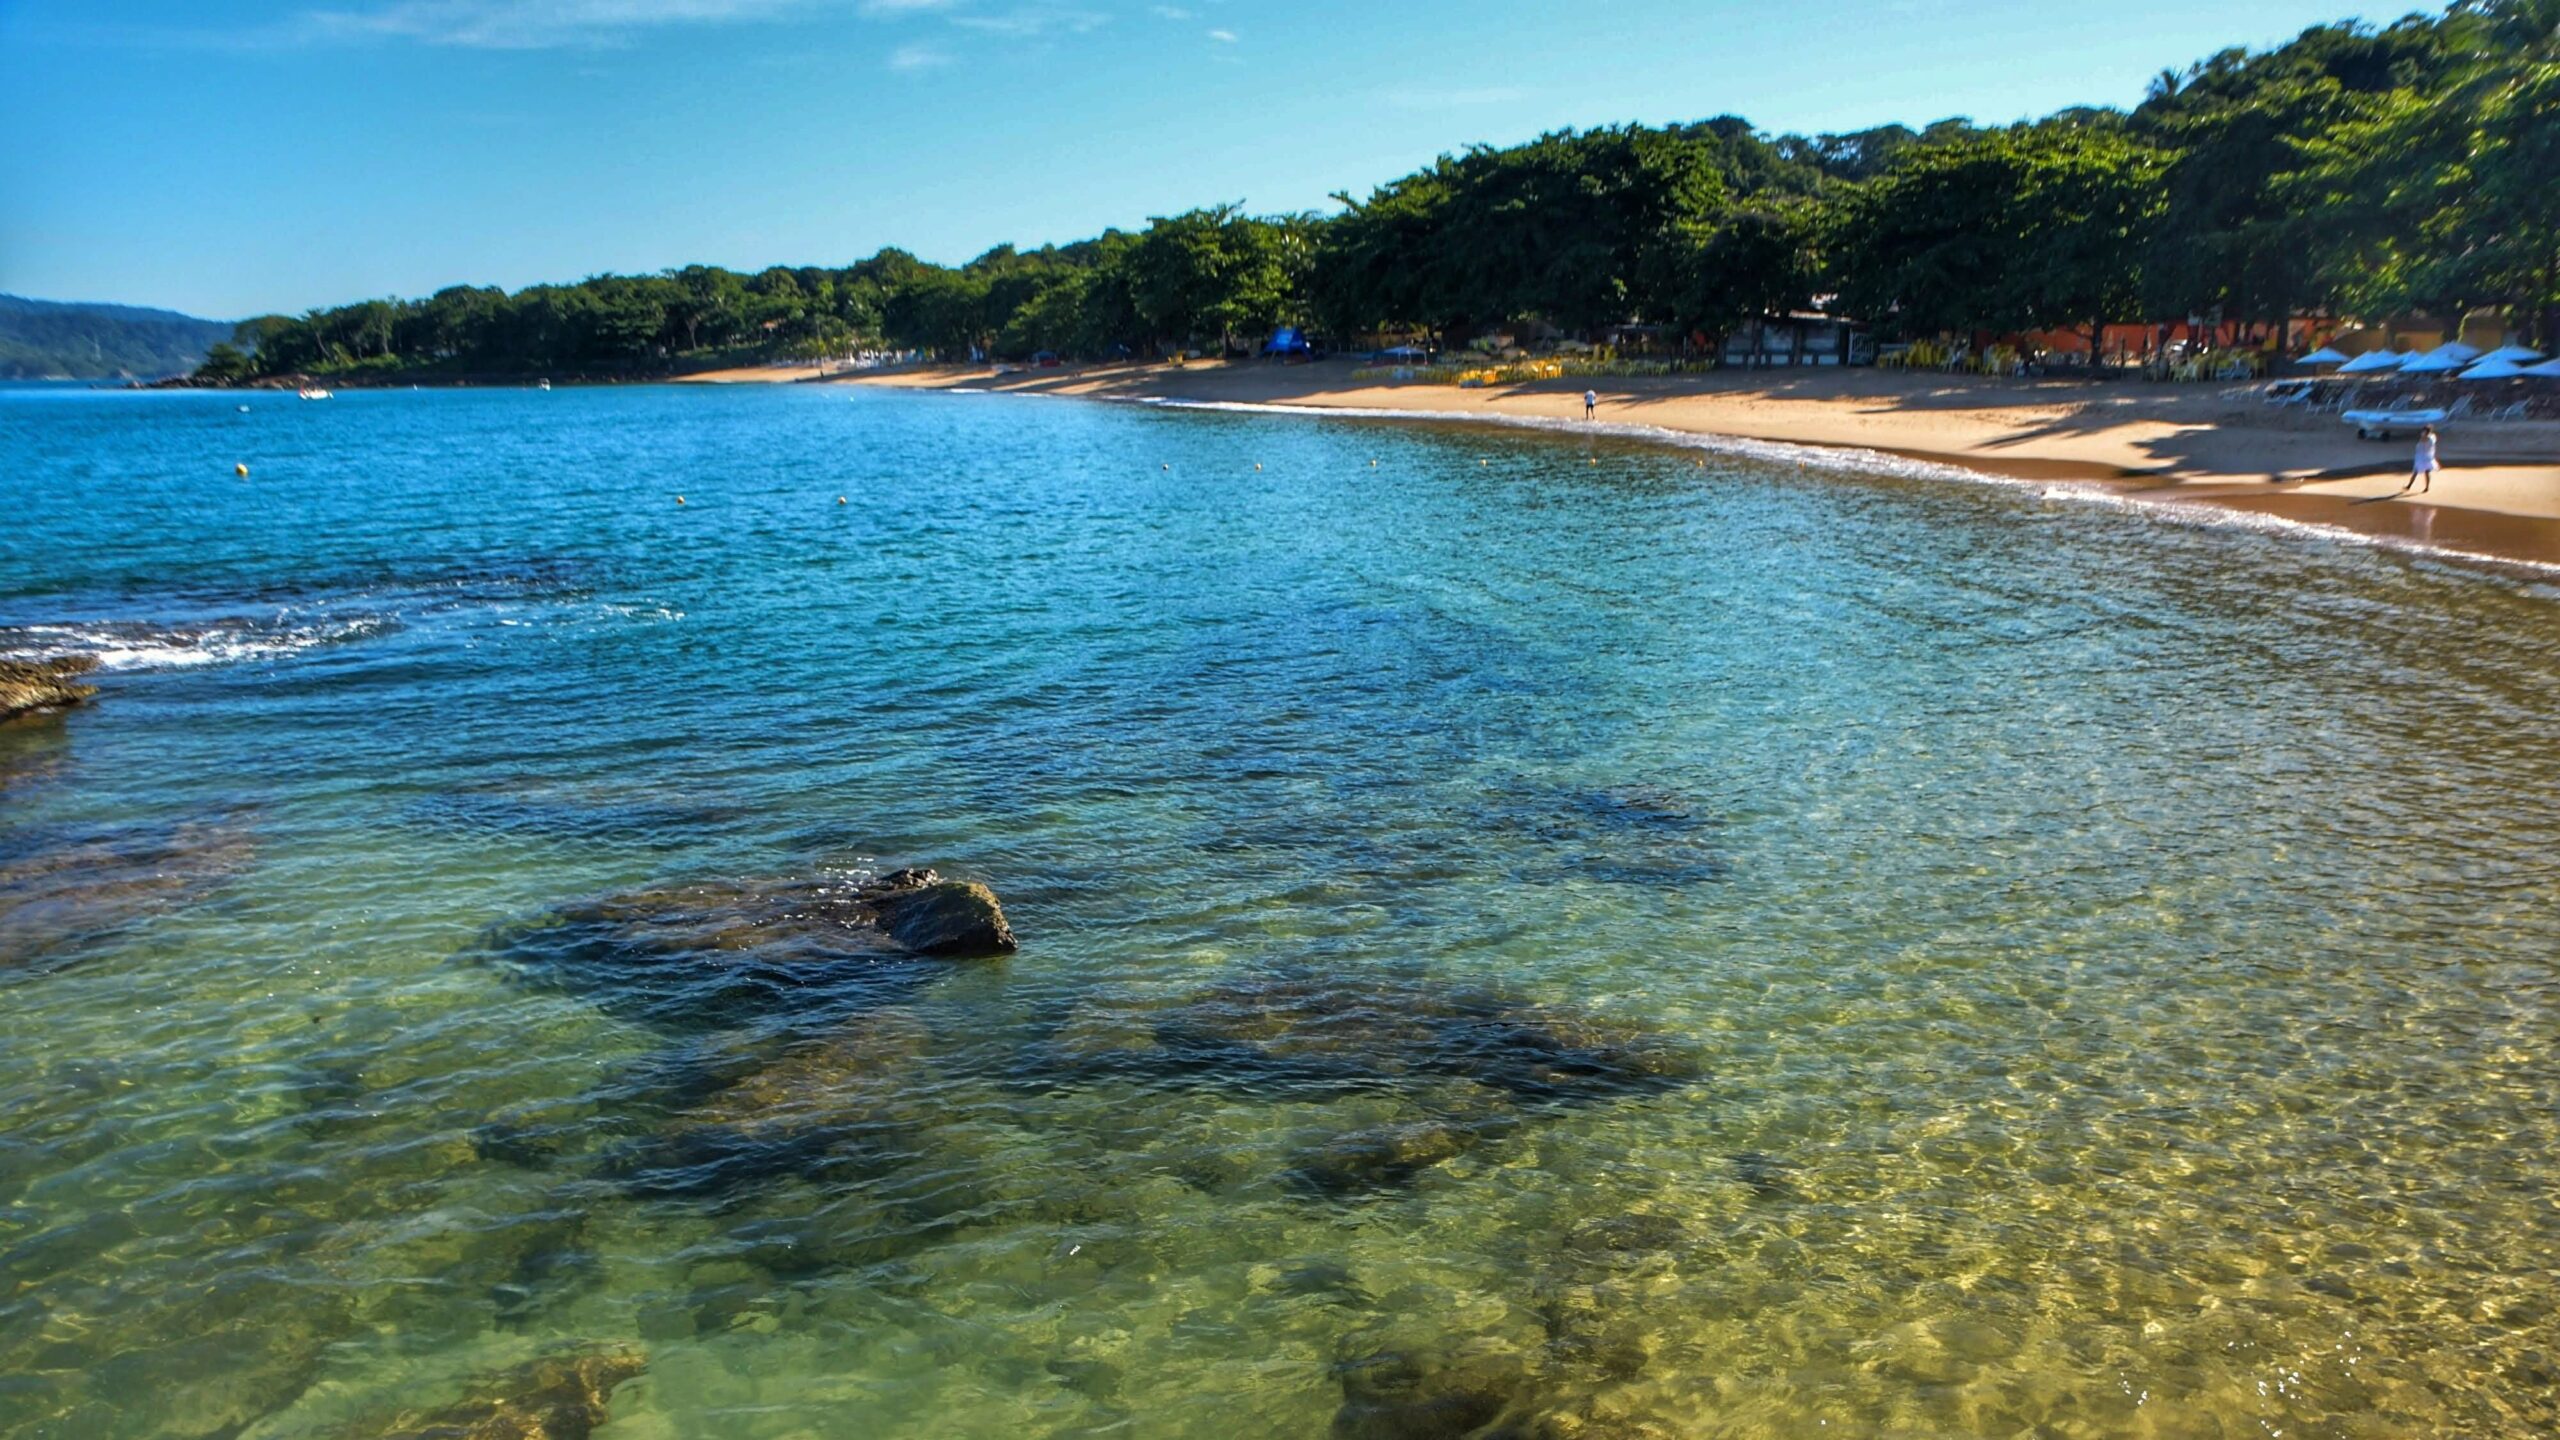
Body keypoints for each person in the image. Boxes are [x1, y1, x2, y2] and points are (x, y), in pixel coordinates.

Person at [2401, 425, 2440, 495]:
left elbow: (2423, 440)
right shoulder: (2433, 436)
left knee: (2417, 472)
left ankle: (2409, 486)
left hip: (2422, 456)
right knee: (2426, 472)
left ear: (2426, 431)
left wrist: (2423, 435)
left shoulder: (2426, 438)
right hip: (2428, 456)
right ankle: (2425, 487)